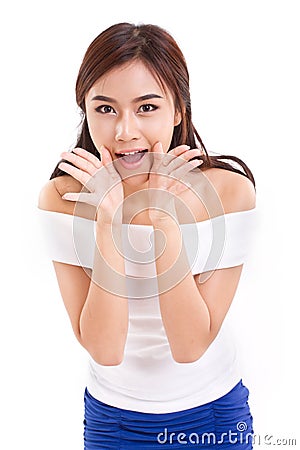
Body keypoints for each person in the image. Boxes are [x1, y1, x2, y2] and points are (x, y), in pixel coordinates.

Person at [38, 22, 257, 449]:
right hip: (113, 420)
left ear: (178, 110)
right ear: (86, 111)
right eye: (105, 109)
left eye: (147, 107)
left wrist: (164, 220)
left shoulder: (229, 193)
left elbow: (190, 345)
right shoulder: (61, 199)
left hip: (211, 414)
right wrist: (108, 220)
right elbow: (105, 350)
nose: (125, 131)